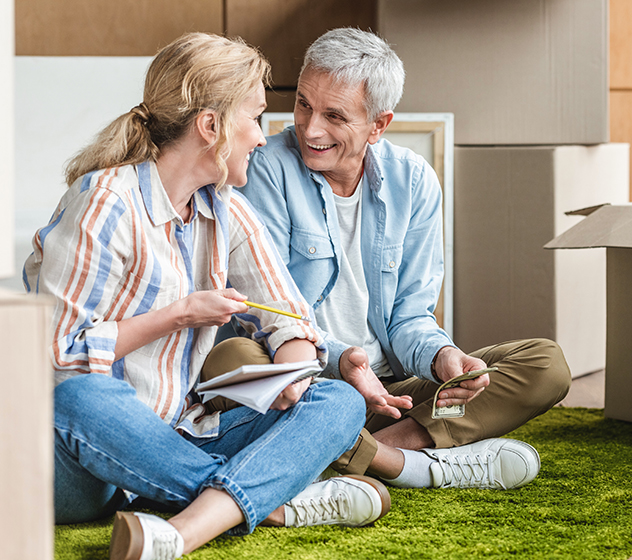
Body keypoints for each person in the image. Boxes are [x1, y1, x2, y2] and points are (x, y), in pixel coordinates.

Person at [24, 32, 391, 560]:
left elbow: (294, 322)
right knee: (83, 395)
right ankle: (271, 502)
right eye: (255, 118)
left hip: (176, 439)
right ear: (211, 126)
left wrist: (290, 373)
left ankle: (181, 532)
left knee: (336, 400)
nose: (263, 138)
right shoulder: (105, 203)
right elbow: (56, 358)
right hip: (80, 458)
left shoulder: (227, 212)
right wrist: (176, 316)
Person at [210, 27, 572, 492]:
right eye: (303, 104)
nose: (309, 127)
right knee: (231, 356)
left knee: (545, 365)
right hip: (307, 382)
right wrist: (341, 361)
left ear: (378, 125)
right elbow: (263, 311)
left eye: (334, 116)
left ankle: (365, 454)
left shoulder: (414, 180)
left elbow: (409, 315)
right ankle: (406, 463)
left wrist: (441, 357)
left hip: (390, 392)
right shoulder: (264, 166)